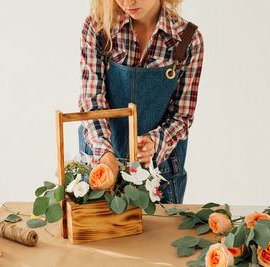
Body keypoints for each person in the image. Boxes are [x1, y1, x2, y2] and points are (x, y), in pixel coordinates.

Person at [78, 0, 204, 204]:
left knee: (160, 236)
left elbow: (182, 115)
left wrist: (155, 142)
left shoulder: (188, 39)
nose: (128, 2)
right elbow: (92, 102)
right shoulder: (99, 28)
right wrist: (105, 155)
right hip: (101, 165)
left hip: (161, 172)